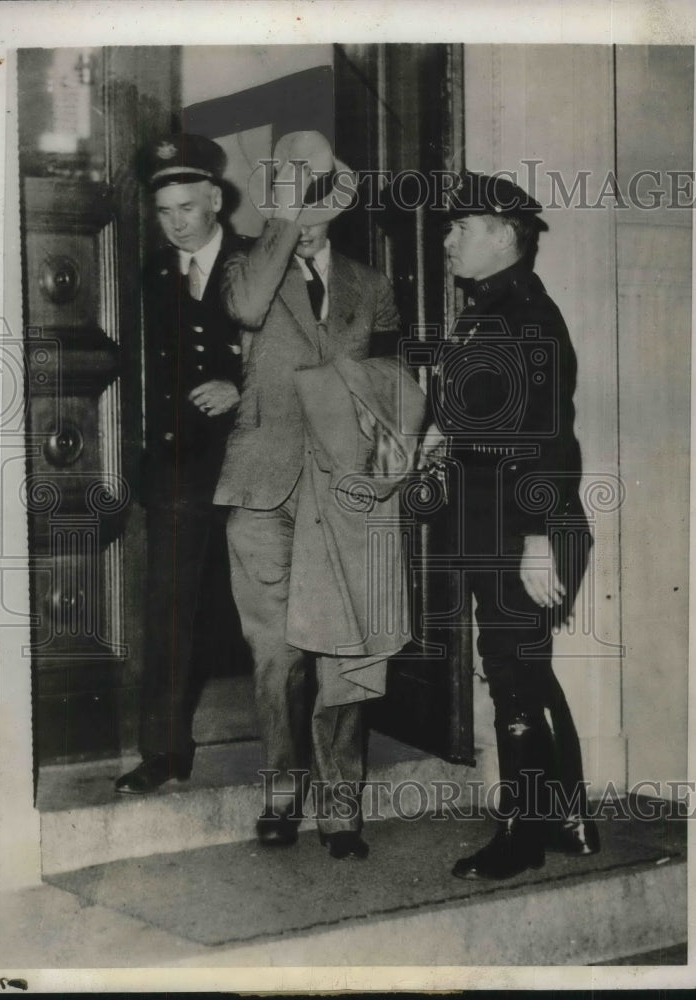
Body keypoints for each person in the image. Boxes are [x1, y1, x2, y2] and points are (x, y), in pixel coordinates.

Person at [214, 131, 423, 859]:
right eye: (294, 187)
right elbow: (243, 309)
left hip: (345, 495)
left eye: (317, 192)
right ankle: (280, 792)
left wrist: (393, 455)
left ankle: (340, 806)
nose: (310, 206)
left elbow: (393, 386)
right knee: (276, 656)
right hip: (264, 487)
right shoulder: (250, 267)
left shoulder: (372, 284)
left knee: (344, 655)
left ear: (337, 202)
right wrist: (282, 219)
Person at [421, 170, 600, 879]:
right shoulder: (485, 310)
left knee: (515, 678)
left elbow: (550, 439)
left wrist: (534, 539)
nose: (448, 239)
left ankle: (522, 838)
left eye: (460, 228)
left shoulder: (526, 314)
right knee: (524, 672)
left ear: (504, 236)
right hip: (490, 521)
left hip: (522, 526)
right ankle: (570, 820)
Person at [116, 134, 245, 794]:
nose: (174, 224)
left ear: (216, 201)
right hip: (177, 469)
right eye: (164, 211)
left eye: (186, 209)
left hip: (253, 462)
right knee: (168, 609)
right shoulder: (154, 272)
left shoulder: (256, 264)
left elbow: (305, 363)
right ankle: (163, 753)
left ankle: (293, 760)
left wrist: (240, 388)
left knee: (267, 617)